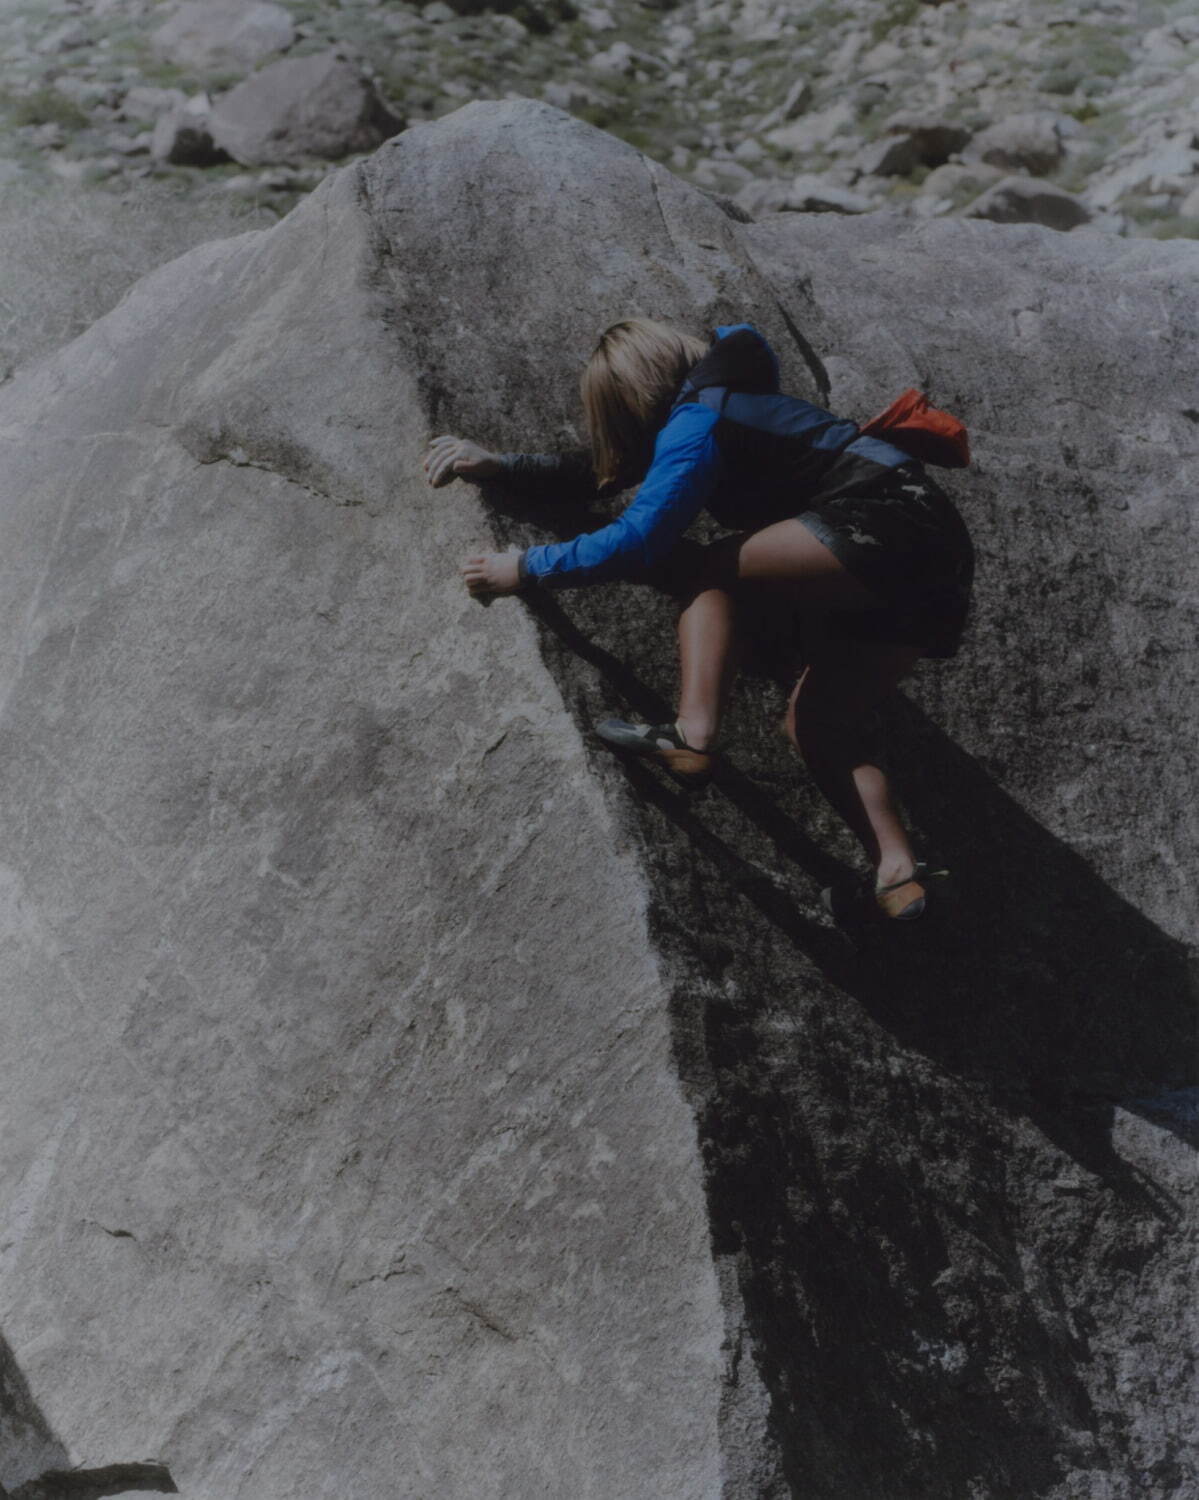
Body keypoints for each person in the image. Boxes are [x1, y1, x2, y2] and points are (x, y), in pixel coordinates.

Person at [422, 319, 974, 921]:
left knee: (709, 568)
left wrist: (526, 567)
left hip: (884, 521)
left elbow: (640, 537)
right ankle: (898, 876)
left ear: (628, 395)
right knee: (819, 725)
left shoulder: (700, 419)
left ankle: (692, 733)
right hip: (935, 561)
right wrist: (505, 466)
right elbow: (604, 473)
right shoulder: (722, 406)